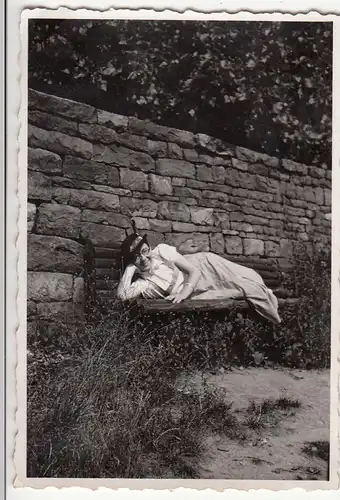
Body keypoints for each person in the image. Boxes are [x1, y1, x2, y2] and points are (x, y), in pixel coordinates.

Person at [117, 221, 282, 324]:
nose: (143, 258)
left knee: (247, 276)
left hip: (203, 265)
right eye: (137, 257)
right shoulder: (144, 284)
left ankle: (267, 296)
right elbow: (123, 295)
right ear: (133, 262)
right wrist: (130, 269)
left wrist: (182, 293)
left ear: (149, 248)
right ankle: (275, 316)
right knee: (243, 287)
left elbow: (193, 271)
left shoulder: (161, 252)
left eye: (144, 251)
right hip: (195, 289)